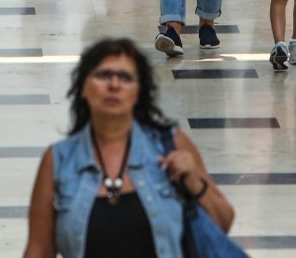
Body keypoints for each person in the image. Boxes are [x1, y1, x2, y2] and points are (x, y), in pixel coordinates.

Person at [23, 38, 236, 258]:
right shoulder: (59, 160)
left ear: (138, 92)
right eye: (103, 75)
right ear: (83, 87)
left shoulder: (171, 145)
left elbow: (223, 221)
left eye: (125, 77)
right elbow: (39, 248)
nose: (114, 85)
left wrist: (194, 181)